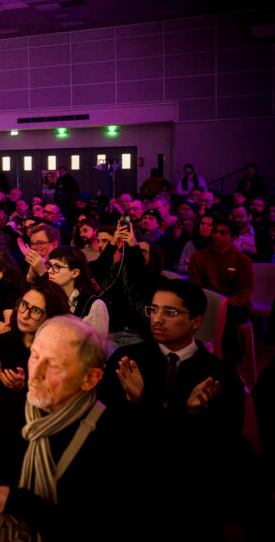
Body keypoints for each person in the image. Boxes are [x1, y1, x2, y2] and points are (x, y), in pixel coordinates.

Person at [0, 316, 142, 542]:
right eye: (35, 356)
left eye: (54, 365)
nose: (36, 374)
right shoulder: (5, 408)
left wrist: (11, 501)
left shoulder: (113, 435)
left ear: (91, 378)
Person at [101, 279, 247, 539]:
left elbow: (223, 447)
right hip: (129, 489)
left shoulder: (218, 375)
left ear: (196, 321)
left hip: (191, 496)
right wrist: (183, 413)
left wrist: (146, 403)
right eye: (153, 309)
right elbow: (110, 432)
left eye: (170, 312)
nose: (157, 319)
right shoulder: (127, 360)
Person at [188, 217, 253, 366]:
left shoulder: (243, 261)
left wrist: (223, 304)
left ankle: (227, 364)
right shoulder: (198, 258)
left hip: (235, 304)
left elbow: (244, 292)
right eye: (215, 232)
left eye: (223, 233)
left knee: (226, 315)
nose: (217, 235)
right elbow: (195, 287)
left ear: (233, 238)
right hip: (204, 302)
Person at [47, 247, 109, 336]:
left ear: (75, 273)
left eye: (57, 267)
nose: (49, 271)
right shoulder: (47, 297)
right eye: (49, 266)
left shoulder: (94, 305)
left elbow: (98, 346)